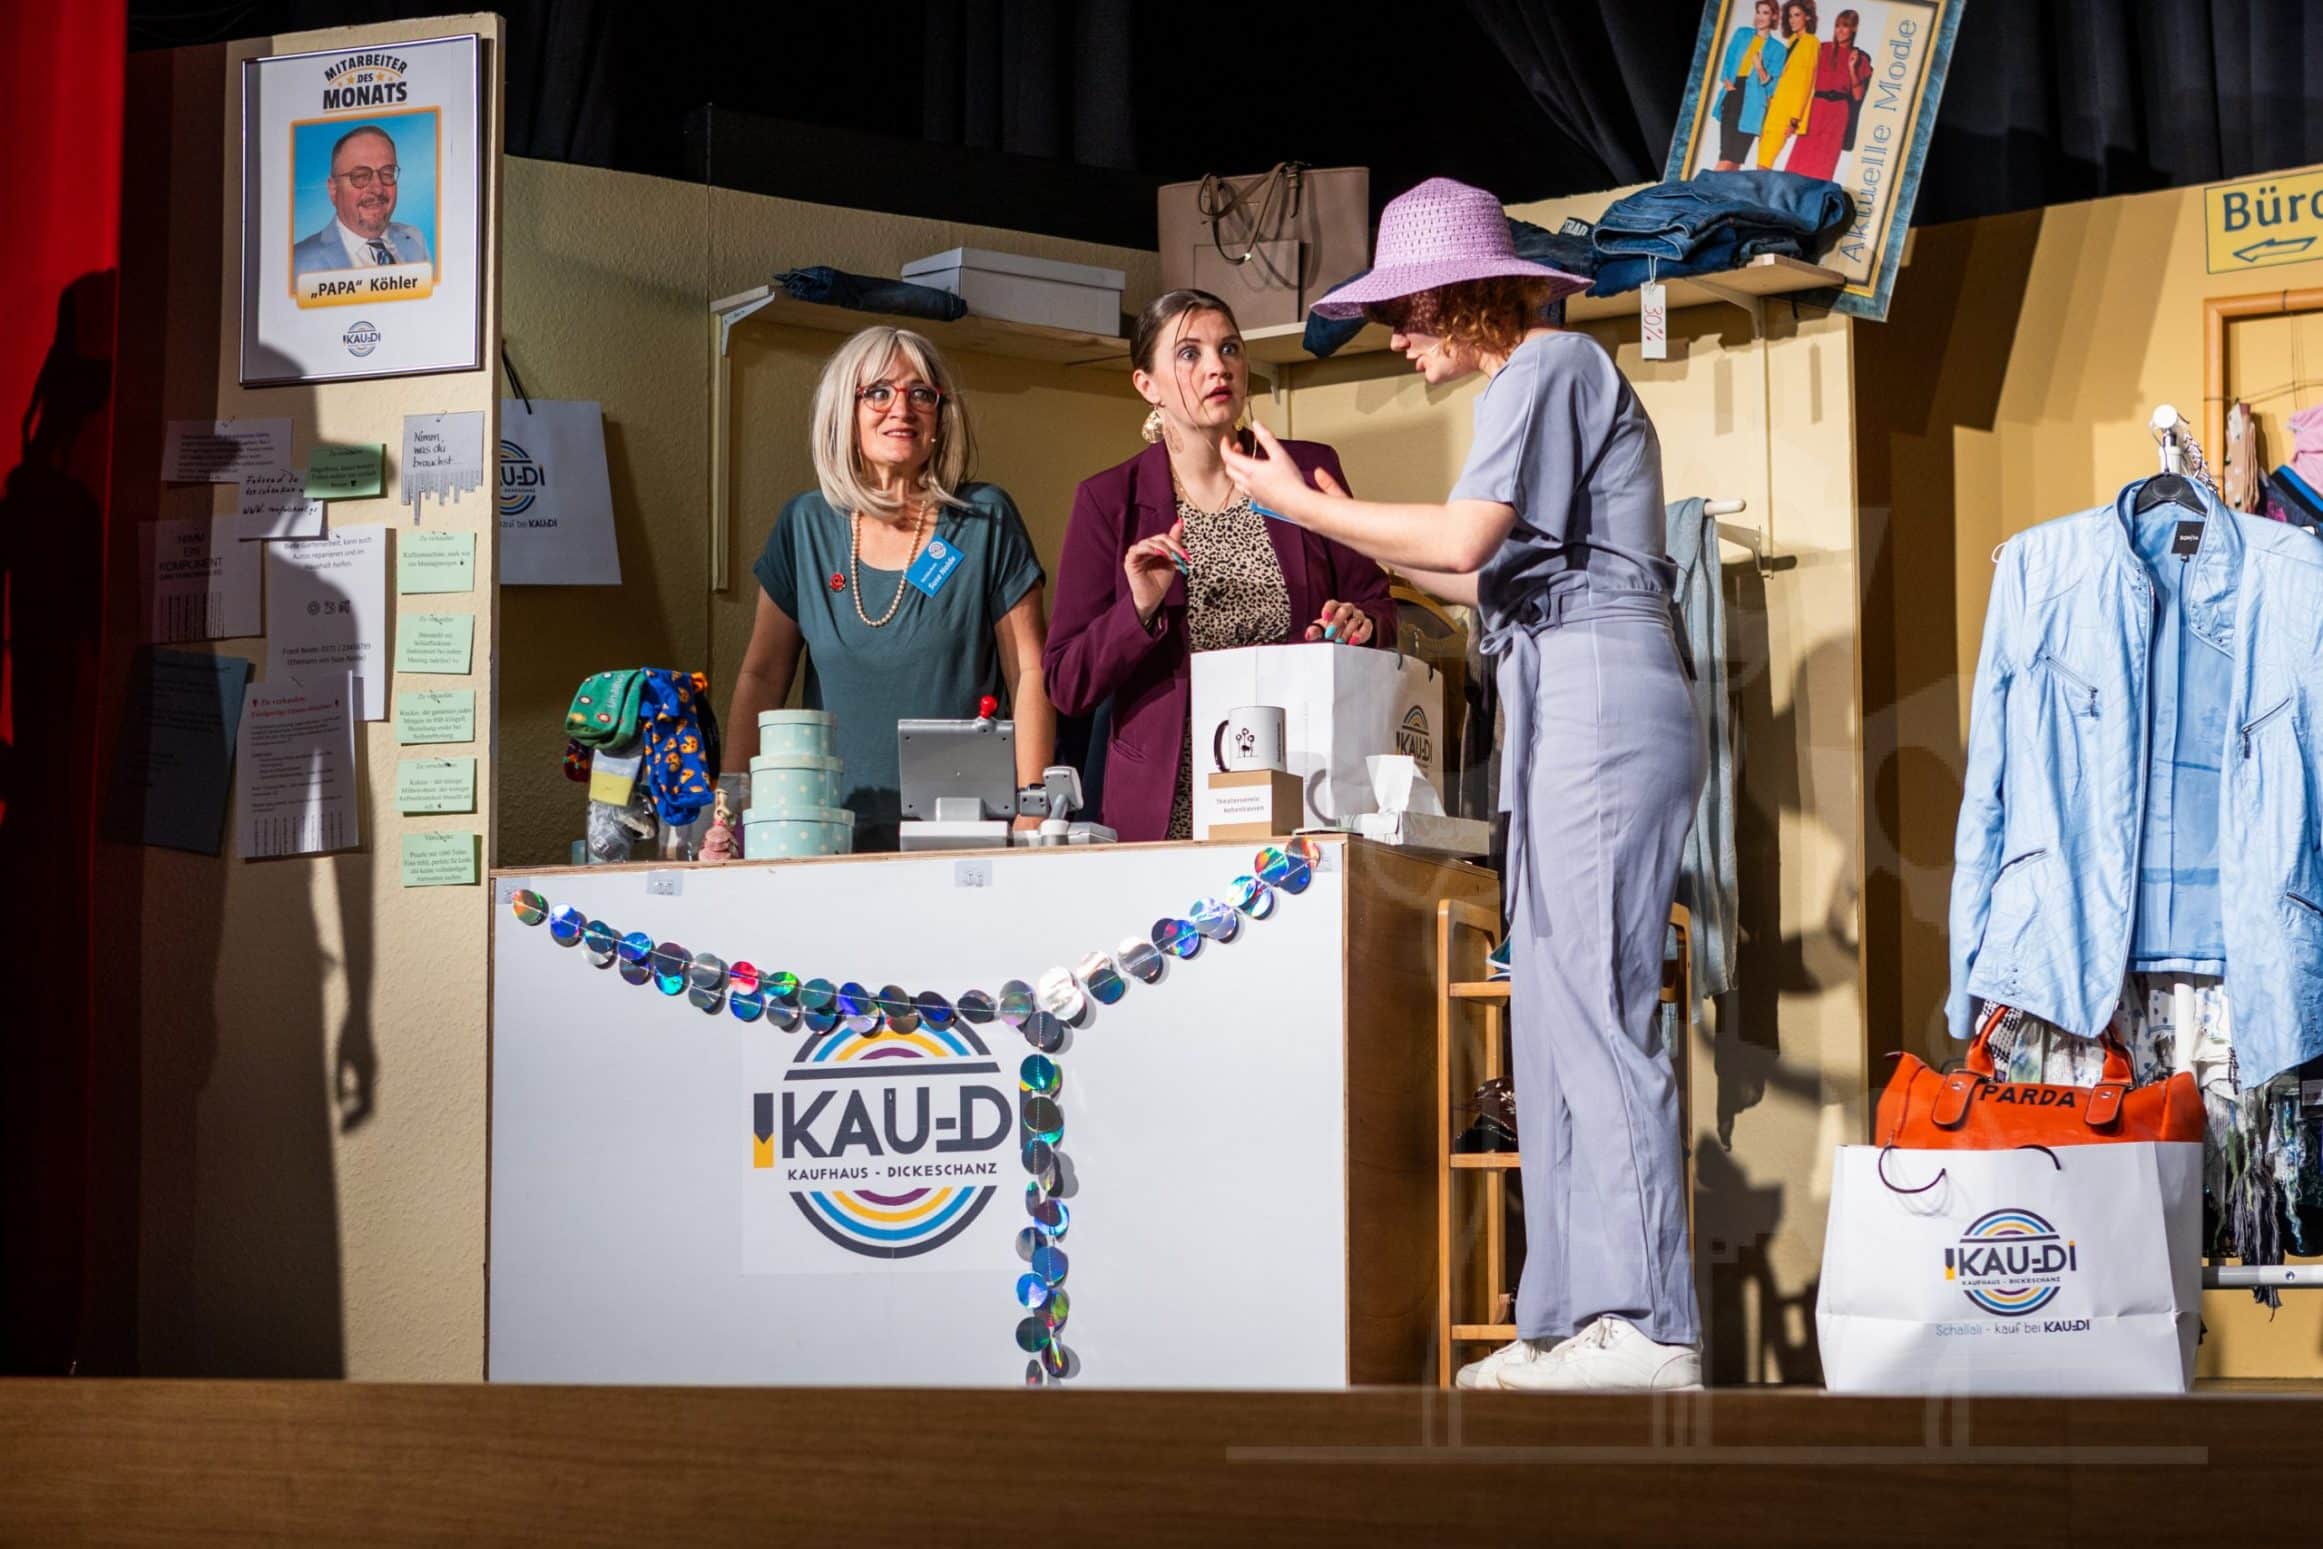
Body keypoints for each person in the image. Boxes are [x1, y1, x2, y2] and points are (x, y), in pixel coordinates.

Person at [1222, 178, 1705, 1393]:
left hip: (1597, 690)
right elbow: (1477, 577)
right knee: (1545, 1007)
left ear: (1463, 294)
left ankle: (1648, 1320)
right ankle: (1568, 1314)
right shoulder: (1530, 384)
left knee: (1592, 1001)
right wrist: (1337, 518)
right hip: (1556, 692)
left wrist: (1293, 504)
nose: (1397, 334)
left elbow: (1461, 542)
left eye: (1408, 309)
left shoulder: (1547, 365)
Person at [1044, 290, 1394, 842]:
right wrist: (1139, 608)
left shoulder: (1304, 470)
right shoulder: (1108, 500)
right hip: (1169, 810)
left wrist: (1362, 622)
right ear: (1147, 386)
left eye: (1229, 348)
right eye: (1190, 353)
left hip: (1305, 796)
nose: (1218, 366)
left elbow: (1378, 606)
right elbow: (1067, 683)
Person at [726, 326, 1054, 851]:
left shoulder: (985, 518)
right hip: (825, 835)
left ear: (940, 416)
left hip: (962, 835)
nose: (902, 409)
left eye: (921, 393)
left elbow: (1030, 671)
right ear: (844, 410)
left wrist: (1031, 814)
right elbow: (761, 677)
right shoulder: (805, 525)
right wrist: (731, 810)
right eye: (878, 392)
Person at [291, 125, 431, 277]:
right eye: (360, 176)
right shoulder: (299, 262)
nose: (377, 189)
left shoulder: (414, 239)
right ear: (334, 190)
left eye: (387, 173)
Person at [1781, 7, 1874, 181]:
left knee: (1825, 162)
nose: (1840, 30)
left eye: (1845, 26)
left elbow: (1858, 96)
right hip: (1816, 108)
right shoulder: (1821, 49)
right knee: (1801, 157)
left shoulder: (1860, 58)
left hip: (1838, 113)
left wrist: (1852, 68)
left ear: (1854, 28)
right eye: (1837, 26)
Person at [1710, 0, 1788, 173]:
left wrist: (1760, 68)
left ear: (1774, 16)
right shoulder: (1741, 34)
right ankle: (1704, 187)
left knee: (1736, 161)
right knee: (1726, 157)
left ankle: (1719, 190)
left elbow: (1771, 88)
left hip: (1754, 105)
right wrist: (1727, 82)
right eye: (1758, 12)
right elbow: (1728, 61)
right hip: (1733, 96)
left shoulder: (1779, 50)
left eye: (1765, 13)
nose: (1760, 17)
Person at [1755, 1, 1823, 170]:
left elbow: (1805, 83)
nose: (1792, 20)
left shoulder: (1811, 43)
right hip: (1773, 107)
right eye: (1790, 16)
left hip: (1786, 114)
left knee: (1764, 162)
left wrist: (1794, 119)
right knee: (1761, 160)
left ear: (1808, 17)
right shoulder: (1792, 42)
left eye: (1797, 15)